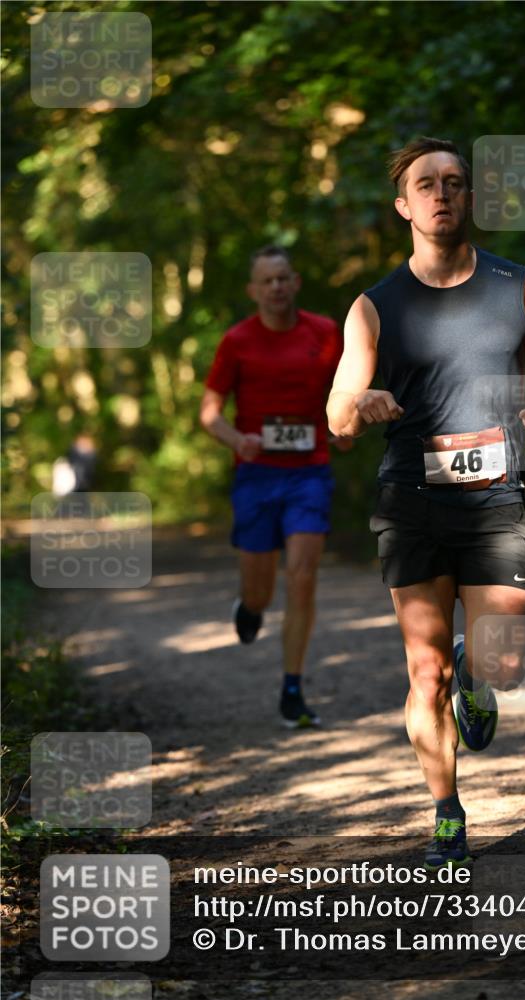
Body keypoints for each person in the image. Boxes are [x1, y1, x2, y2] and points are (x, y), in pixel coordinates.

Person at [327, 137, 525, 867]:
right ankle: (445, 814)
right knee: (423, 672)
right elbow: (336, 415)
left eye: (455, 183)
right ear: (403, 205)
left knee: (503, 664)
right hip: (412, 501)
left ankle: (478, 671)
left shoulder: (517, 285)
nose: (441, 194)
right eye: (426, 184)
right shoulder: (373, 308)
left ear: (468, 199)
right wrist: (358, 405)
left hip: (495, 495)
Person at [200, 245, 351, 728]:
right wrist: (236, 439)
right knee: (261, 590)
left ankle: (292, 687)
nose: (277, 287)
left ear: (296, 282)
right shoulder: (237, 341)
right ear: (253, 290)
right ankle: (250, 605)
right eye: (267, 281)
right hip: (256, 474)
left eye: (283, 278)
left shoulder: (326, 334)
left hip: (309, 472)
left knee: (302, 575)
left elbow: (347, 394)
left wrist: (344, 428)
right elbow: (209, 414)